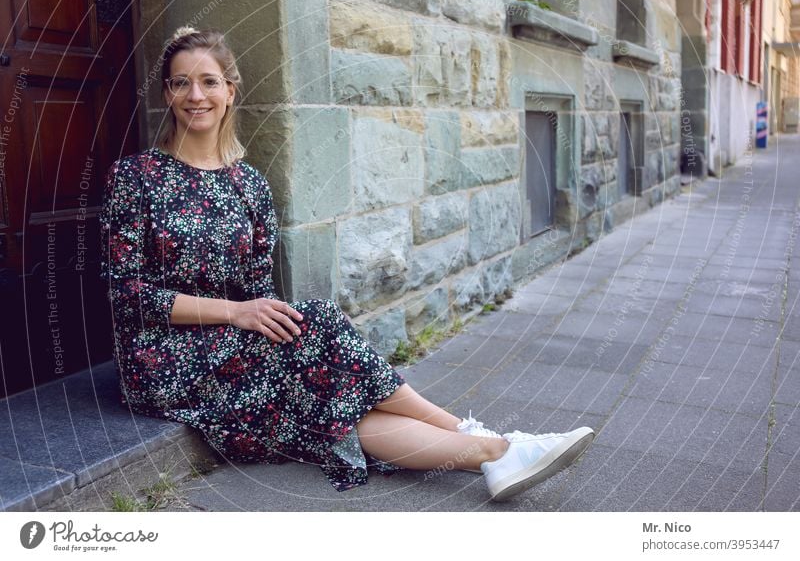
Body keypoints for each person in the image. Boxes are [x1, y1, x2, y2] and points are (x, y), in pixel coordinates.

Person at [98, 26, 595, 503]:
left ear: (230, 91)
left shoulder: (249, 185)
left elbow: (259, 294)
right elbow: (125, 298)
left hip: (235, 347)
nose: (195, 95)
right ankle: (479, 434)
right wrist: (236, 313)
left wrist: (255, 317)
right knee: (320, 328)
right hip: (163, 359)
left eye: (209, 81)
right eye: (182, 82)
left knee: (335, 405)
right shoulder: (136, 177)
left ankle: (494, 453)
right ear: (167, 93)